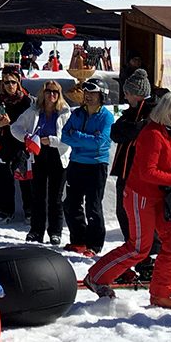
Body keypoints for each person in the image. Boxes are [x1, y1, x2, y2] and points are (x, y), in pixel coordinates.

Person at [83, 93, 171, 310]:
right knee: (139, 248)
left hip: (158, 197)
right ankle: (96, 277)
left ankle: (162, 293)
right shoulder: (152, 134)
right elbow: (148, 172)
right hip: (141, 197)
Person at [11, 80, 71, 245]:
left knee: (55, 197)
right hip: (37, 155)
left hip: (58, 155)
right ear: (42, 93)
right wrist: (27, 138)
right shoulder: (34, 111)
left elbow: (69, 138)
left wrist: (51, 141)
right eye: (48, 91)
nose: (52, 95)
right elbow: (15, 127)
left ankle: (55, 232)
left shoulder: (65, 112)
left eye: (55, 92)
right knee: (37, 195)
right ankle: (36, 231)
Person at [61, 80, 115, 256]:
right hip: (76, 163)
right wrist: (87, 139)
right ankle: (79, 239)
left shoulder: (106, 116)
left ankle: (95, 244)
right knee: (71, 203)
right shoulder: (77, 113)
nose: (88, 96)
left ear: (102, 96)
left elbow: (101, 143)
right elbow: (64, 136)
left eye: (93, 93)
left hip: (96, 165)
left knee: (93, 205)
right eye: (86, 93)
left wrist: (76, 136)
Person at [111, 68, 157, 242]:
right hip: (125, 173)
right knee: (123, 211)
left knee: (138, 214)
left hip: (140, 174)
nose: (125, 97)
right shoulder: (130, 113)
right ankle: (132, 248)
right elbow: (115, 133)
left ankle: (145, 252)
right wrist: (131, 129)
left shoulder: (153, 113)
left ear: (136, 94)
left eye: (127, 93)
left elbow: (136, 132)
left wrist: (131, 129)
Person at [0, 69, 32, 223]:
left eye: (13, 82)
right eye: (7, 82)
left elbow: (29, 124)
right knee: (2, 178)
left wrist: (11, 124)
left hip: (20, 144)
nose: (10, 85)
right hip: (4, 143)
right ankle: (5, 209)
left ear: (18, 83)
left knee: (25, 178)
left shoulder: (25, 100)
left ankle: (29, 211)